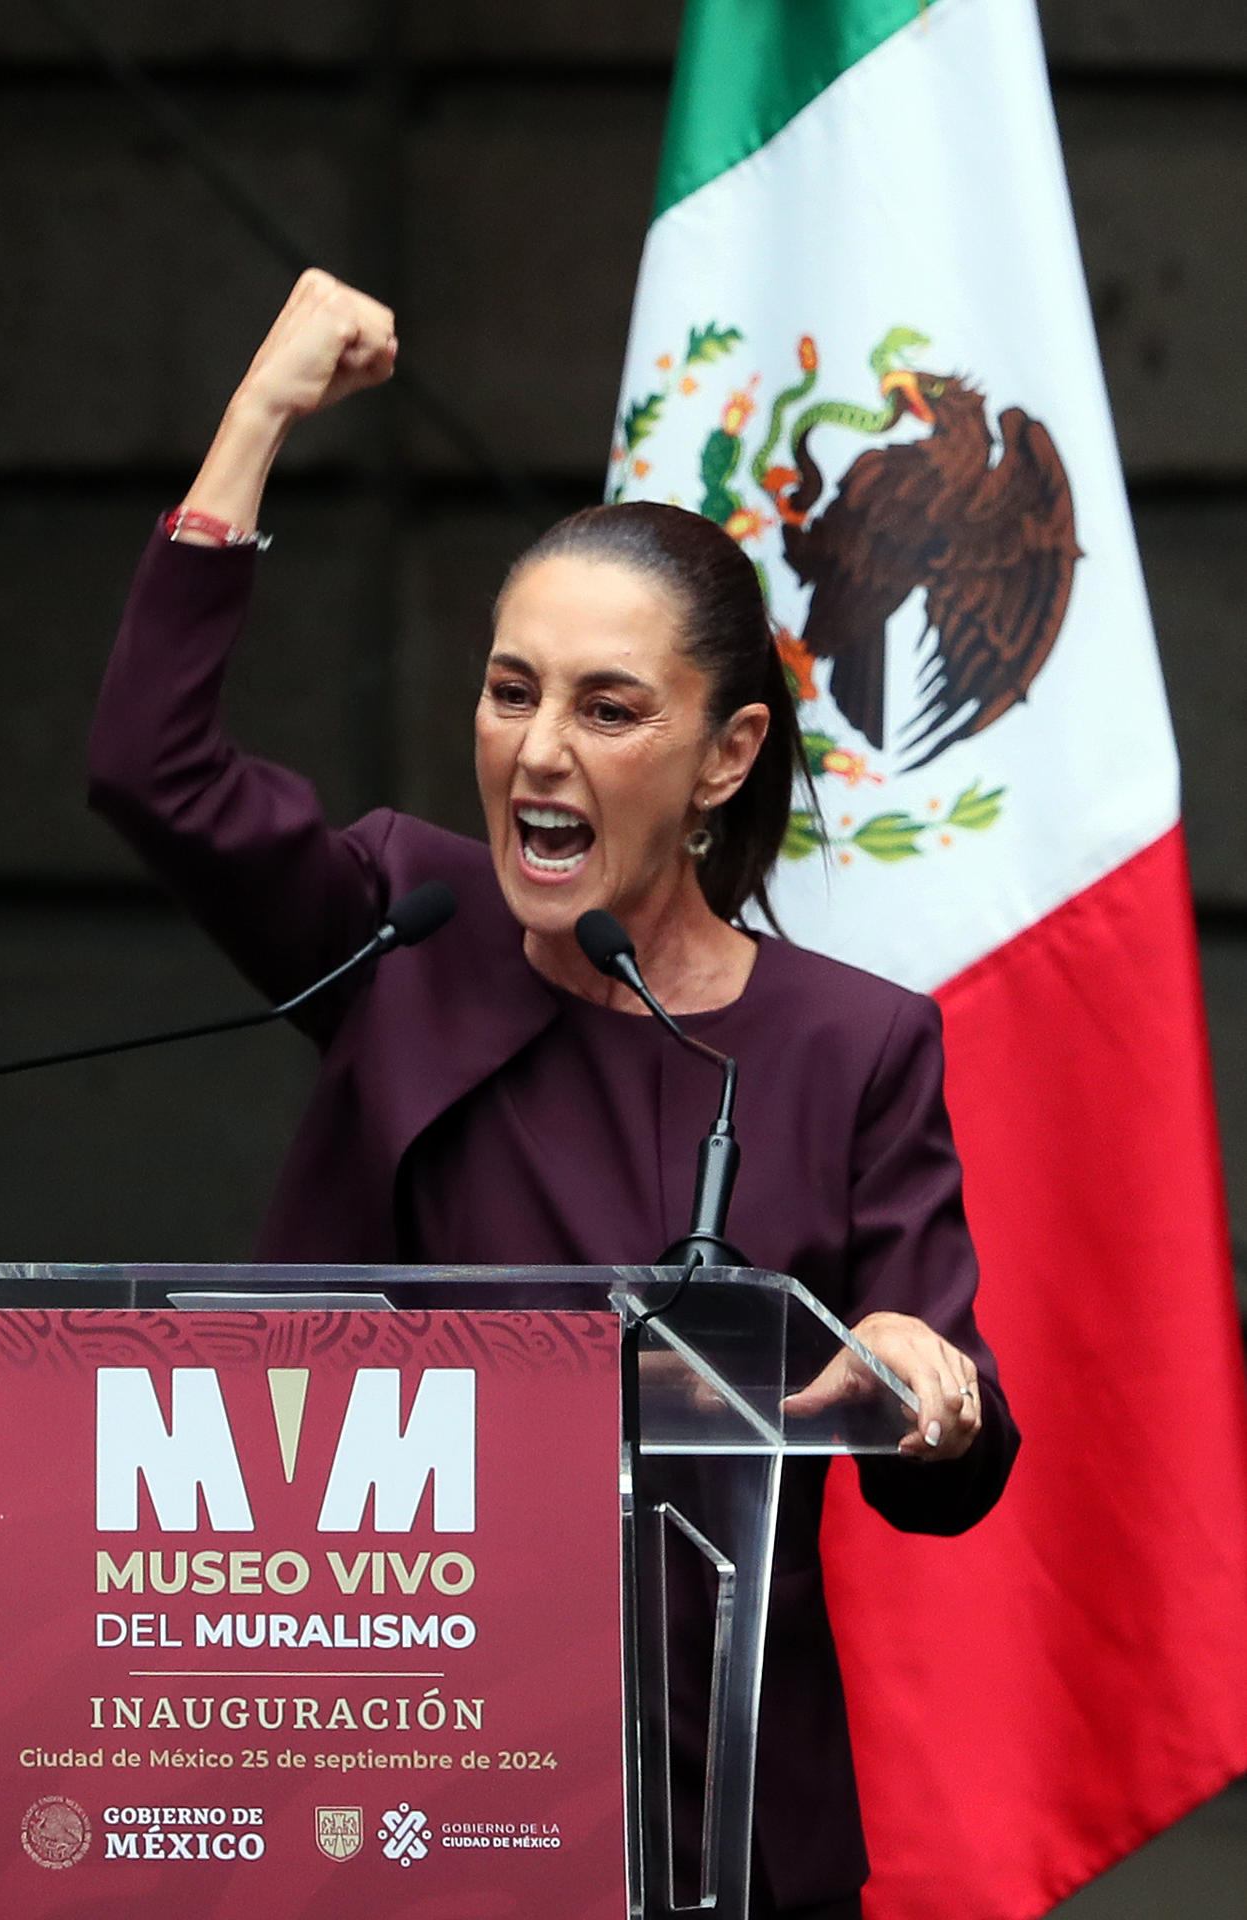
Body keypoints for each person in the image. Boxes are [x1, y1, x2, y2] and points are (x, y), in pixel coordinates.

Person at [89, 269, 1019, 1920]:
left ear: (725, 756)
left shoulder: (853, 1045)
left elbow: (939, 1434)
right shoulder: (406, 923)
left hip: (721, 1828)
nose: (537, 753)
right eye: (512, 691)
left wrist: (928, 1383)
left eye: (608, 709)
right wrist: (259, 414)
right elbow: (152, 772)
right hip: (396, 1803)